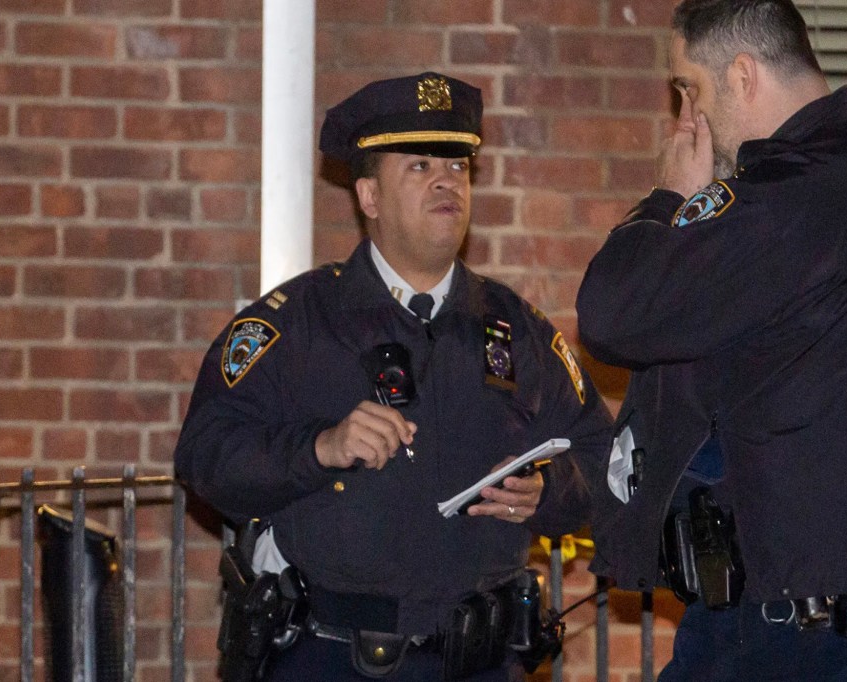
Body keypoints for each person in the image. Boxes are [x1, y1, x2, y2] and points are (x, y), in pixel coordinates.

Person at [575, 1, 847, 680]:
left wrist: (666, 200)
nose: (688, 118)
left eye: (692, 90)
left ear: (741, 75)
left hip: (784, 623)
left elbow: (615, 313)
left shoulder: (791, 200)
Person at [173, 71, 612, 681]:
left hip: (480, 660)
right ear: (368, 197)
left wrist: (551, 491)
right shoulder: (294, 326)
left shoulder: (520, 331)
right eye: (419, 165)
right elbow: (206, 457)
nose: (445, 180)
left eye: (458, 166)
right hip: (329, 655)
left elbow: (605, 461)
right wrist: (319, 448)